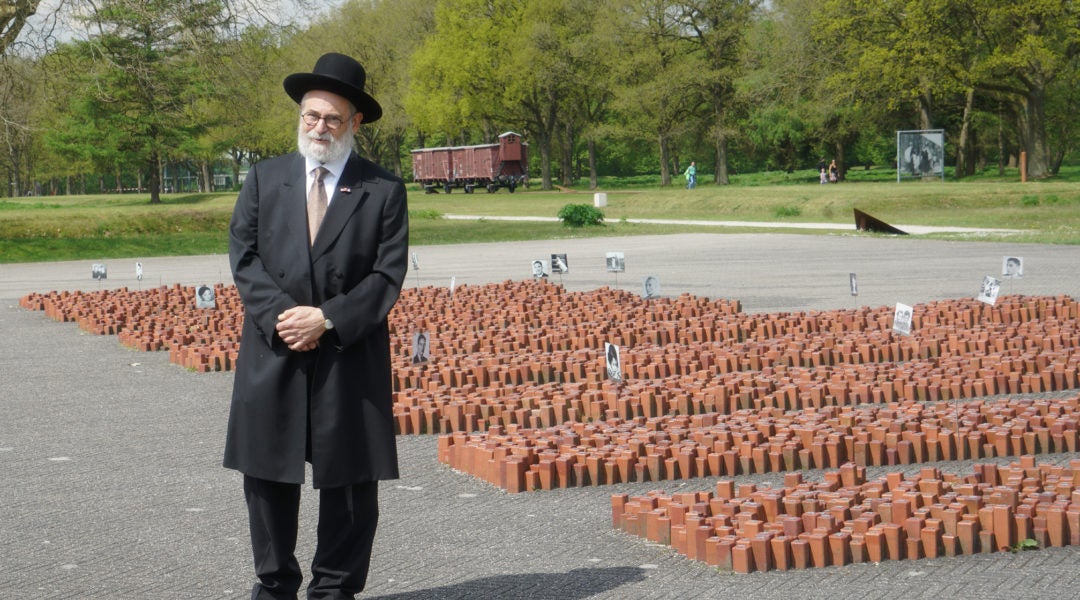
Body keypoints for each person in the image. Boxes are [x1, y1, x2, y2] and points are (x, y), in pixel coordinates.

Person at [224, 53, 409, 600]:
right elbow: (244, 256)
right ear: (300, 116)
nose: (319, 127)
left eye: (332, 118)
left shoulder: (383, 189)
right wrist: (287, 317)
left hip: (347, 354)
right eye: (311, 116)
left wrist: (326, 318)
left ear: (355, 122)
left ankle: (334, 590)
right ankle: (275, 583)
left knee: (351, 481)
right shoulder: (265, 178)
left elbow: (386, 274)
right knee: (267, 476)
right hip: (273, 346)